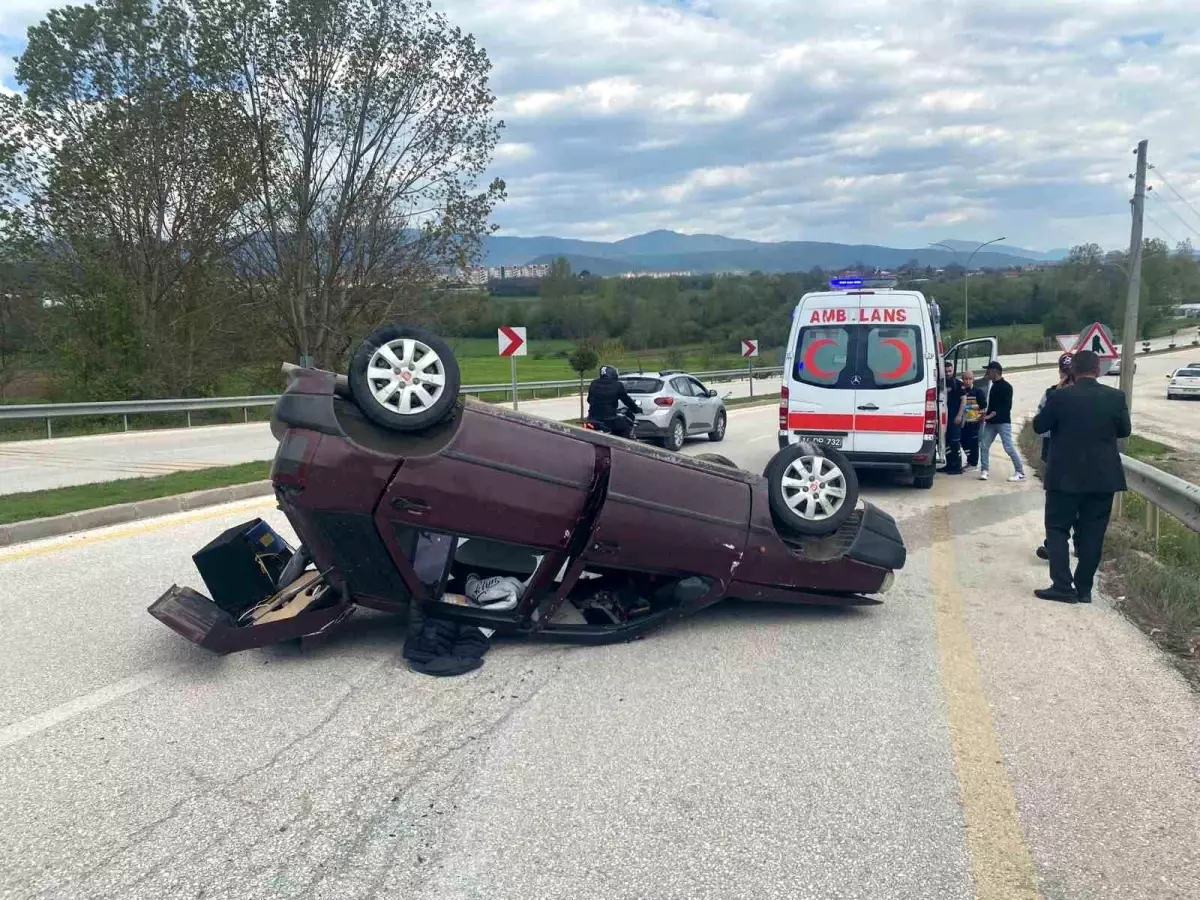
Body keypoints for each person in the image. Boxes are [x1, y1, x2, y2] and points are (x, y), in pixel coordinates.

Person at [1030, 350, 1131, 604]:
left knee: (1057, 529)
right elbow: (1124, 431)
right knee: (1093, 534)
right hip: (1102, 478)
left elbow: (1039, 426)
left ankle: (1062, 586)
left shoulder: (1059, 397)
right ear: (1098, 370)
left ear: (1072, 370)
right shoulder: (1116, 397)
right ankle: (1084, 590)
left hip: (1064, 477)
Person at [1034, 354, 1074, 560]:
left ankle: (1057, 545)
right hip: (1060, 457)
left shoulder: (1052, 394)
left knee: (1059, 506)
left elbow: (1042, 426)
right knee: (1062, 505)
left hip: (1058, 456)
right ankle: (1056, 544)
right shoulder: (1051, 394)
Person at [978, 361, 1026, 483]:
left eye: (988, 371)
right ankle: (985, 470)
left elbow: (1006, 407)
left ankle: (1020, 472)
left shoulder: (1007, 387)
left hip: (1003, 422)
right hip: (991, 423)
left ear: (995, 372)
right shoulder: (993, 385)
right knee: (984, 445)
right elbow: (992, 405)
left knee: (1008, 447)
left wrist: (991, 415)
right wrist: (985, 414)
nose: (986, 373)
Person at [586, 365, 638, 438]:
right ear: (613, 374)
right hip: (610, 418)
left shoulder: (594, 383)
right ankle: (623, 448)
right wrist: (636, 409)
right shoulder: (617, 385)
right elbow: (627, 400)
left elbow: (589, 400)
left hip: (592, 418)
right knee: (626, 428)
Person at [939, 361, 965, 475]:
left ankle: (957, 466)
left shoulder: (958, 384)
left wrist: (960, 415)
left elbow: (964, 400)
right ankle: (949, 465)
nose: (948, 373)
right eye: (946, 371)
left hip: (955, 418)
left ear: (953, 370)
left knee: (955, 442)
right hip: (944, 418)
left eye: (950, 371)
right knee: (947, 442)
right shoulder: (940, 384)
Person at [960, 370, 986, 470]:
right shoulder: (961, 391)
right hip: (963, 422)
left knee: (973, 443)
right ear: (962, 380)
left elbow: (983, 406)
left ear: (973, 380)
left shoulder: (978, 392)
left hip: (974, 421)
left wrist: (981, 418)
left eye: (970, 379)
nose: (967, 381)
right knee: (962, 440)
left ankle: (973, 463)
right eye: (965, 379)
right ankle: (970, 459)